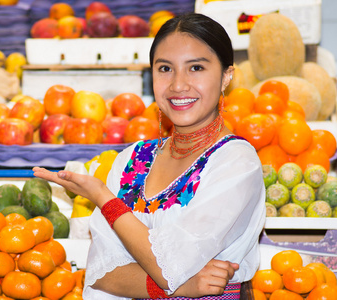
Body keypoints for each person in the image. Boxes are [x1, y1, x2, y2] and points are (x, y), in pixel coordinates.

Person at [33, 13, 266, 300]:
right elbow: (100, 275)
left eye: (196, 67)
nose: (178, 85)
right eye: (165, 68)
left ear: (226, 77)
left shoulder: (236, 163)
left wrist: (105, 198)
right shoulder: (132, 159)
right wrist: (181, 286)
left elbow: (167, 266)